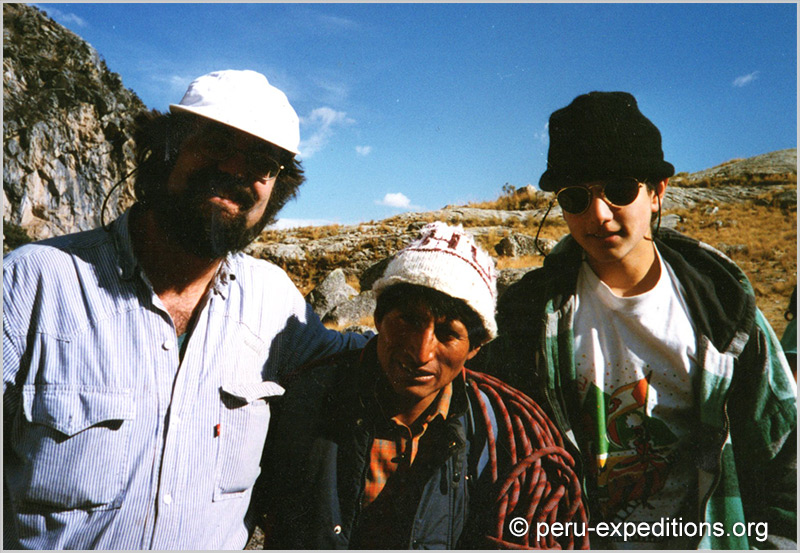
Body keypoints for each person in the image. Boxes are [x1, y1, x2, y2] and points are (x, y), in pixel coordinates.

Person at [3, 69, 367, 549]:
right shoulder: (30, 283)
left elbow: (370, 361)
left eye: (262, 162)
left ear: (276, 189)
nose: (235, 168)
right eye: (216, 143)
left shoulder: (274, 300)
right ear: (167, 147)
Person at [476, 92, 797, 548]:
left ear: (656, 192)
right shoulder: (527, 314)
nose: (599, 213)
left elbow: (786, 455)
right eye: (575, 197)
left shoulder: (723, 307)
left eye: (620, 189)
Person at [255, 222, 588, 550]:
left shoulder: (498, 435)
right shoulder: (307, 400)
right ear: (379, 318)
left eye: (447, 334)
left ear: (474, 348)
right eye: (409, 321)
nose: (421, 352)